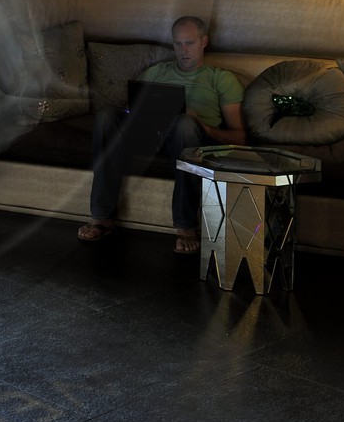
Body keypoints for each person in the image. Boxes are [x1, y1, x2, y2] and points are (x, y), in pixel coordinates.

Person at [77, 15, 245, 254]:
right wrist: (135, 114)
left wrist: (204, 126)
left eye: (190, 43)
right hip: (149, 135)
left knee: (185, 123)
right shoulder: (157, 72)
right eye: (178, 44)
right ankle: (102, 217)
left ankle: (186, 226)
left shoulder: (222, 79)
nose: (183, 50)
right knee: (105, 116)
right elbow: (130, 108)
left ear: (204, 41)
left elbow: (240, 137)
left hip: (191, 137)